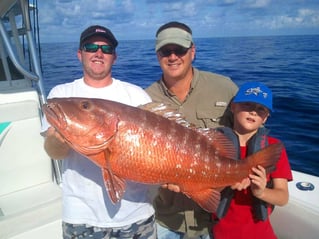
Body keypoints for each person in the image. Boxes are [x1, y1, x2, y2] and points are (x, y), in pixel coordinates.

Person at [42, 25, 156, 239]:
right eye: (91, 46)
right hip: (81, 218)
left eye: (106, 48)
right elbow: (53, 151)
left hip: (137, 215)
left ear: (115, 57)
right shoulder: (61, 95)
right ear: (80, 54)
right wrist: (58, 139)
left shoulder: (136, 95)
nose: (98, 53)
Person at [146, 21, 245, 239]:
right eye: (165, 51)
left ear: (193, 51)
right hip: (167, 219)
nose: (173, 57)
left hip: (215, 219)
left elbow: (251, 133)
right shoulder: (146, 99)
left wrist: (248, 172)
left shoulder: (224, 87)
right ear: (157, 55)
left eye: (179, 50)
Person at [212, 82, 293, 239]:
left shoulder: (274, 148)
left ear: (266, 117)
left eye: (260, 109)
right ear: (233, 107)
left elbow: (282, 197)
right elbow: (206, 192)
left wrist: (261, 191)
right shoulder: (215, 145)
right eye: (247, 105)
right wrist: (227, 180)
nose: (253, 112)